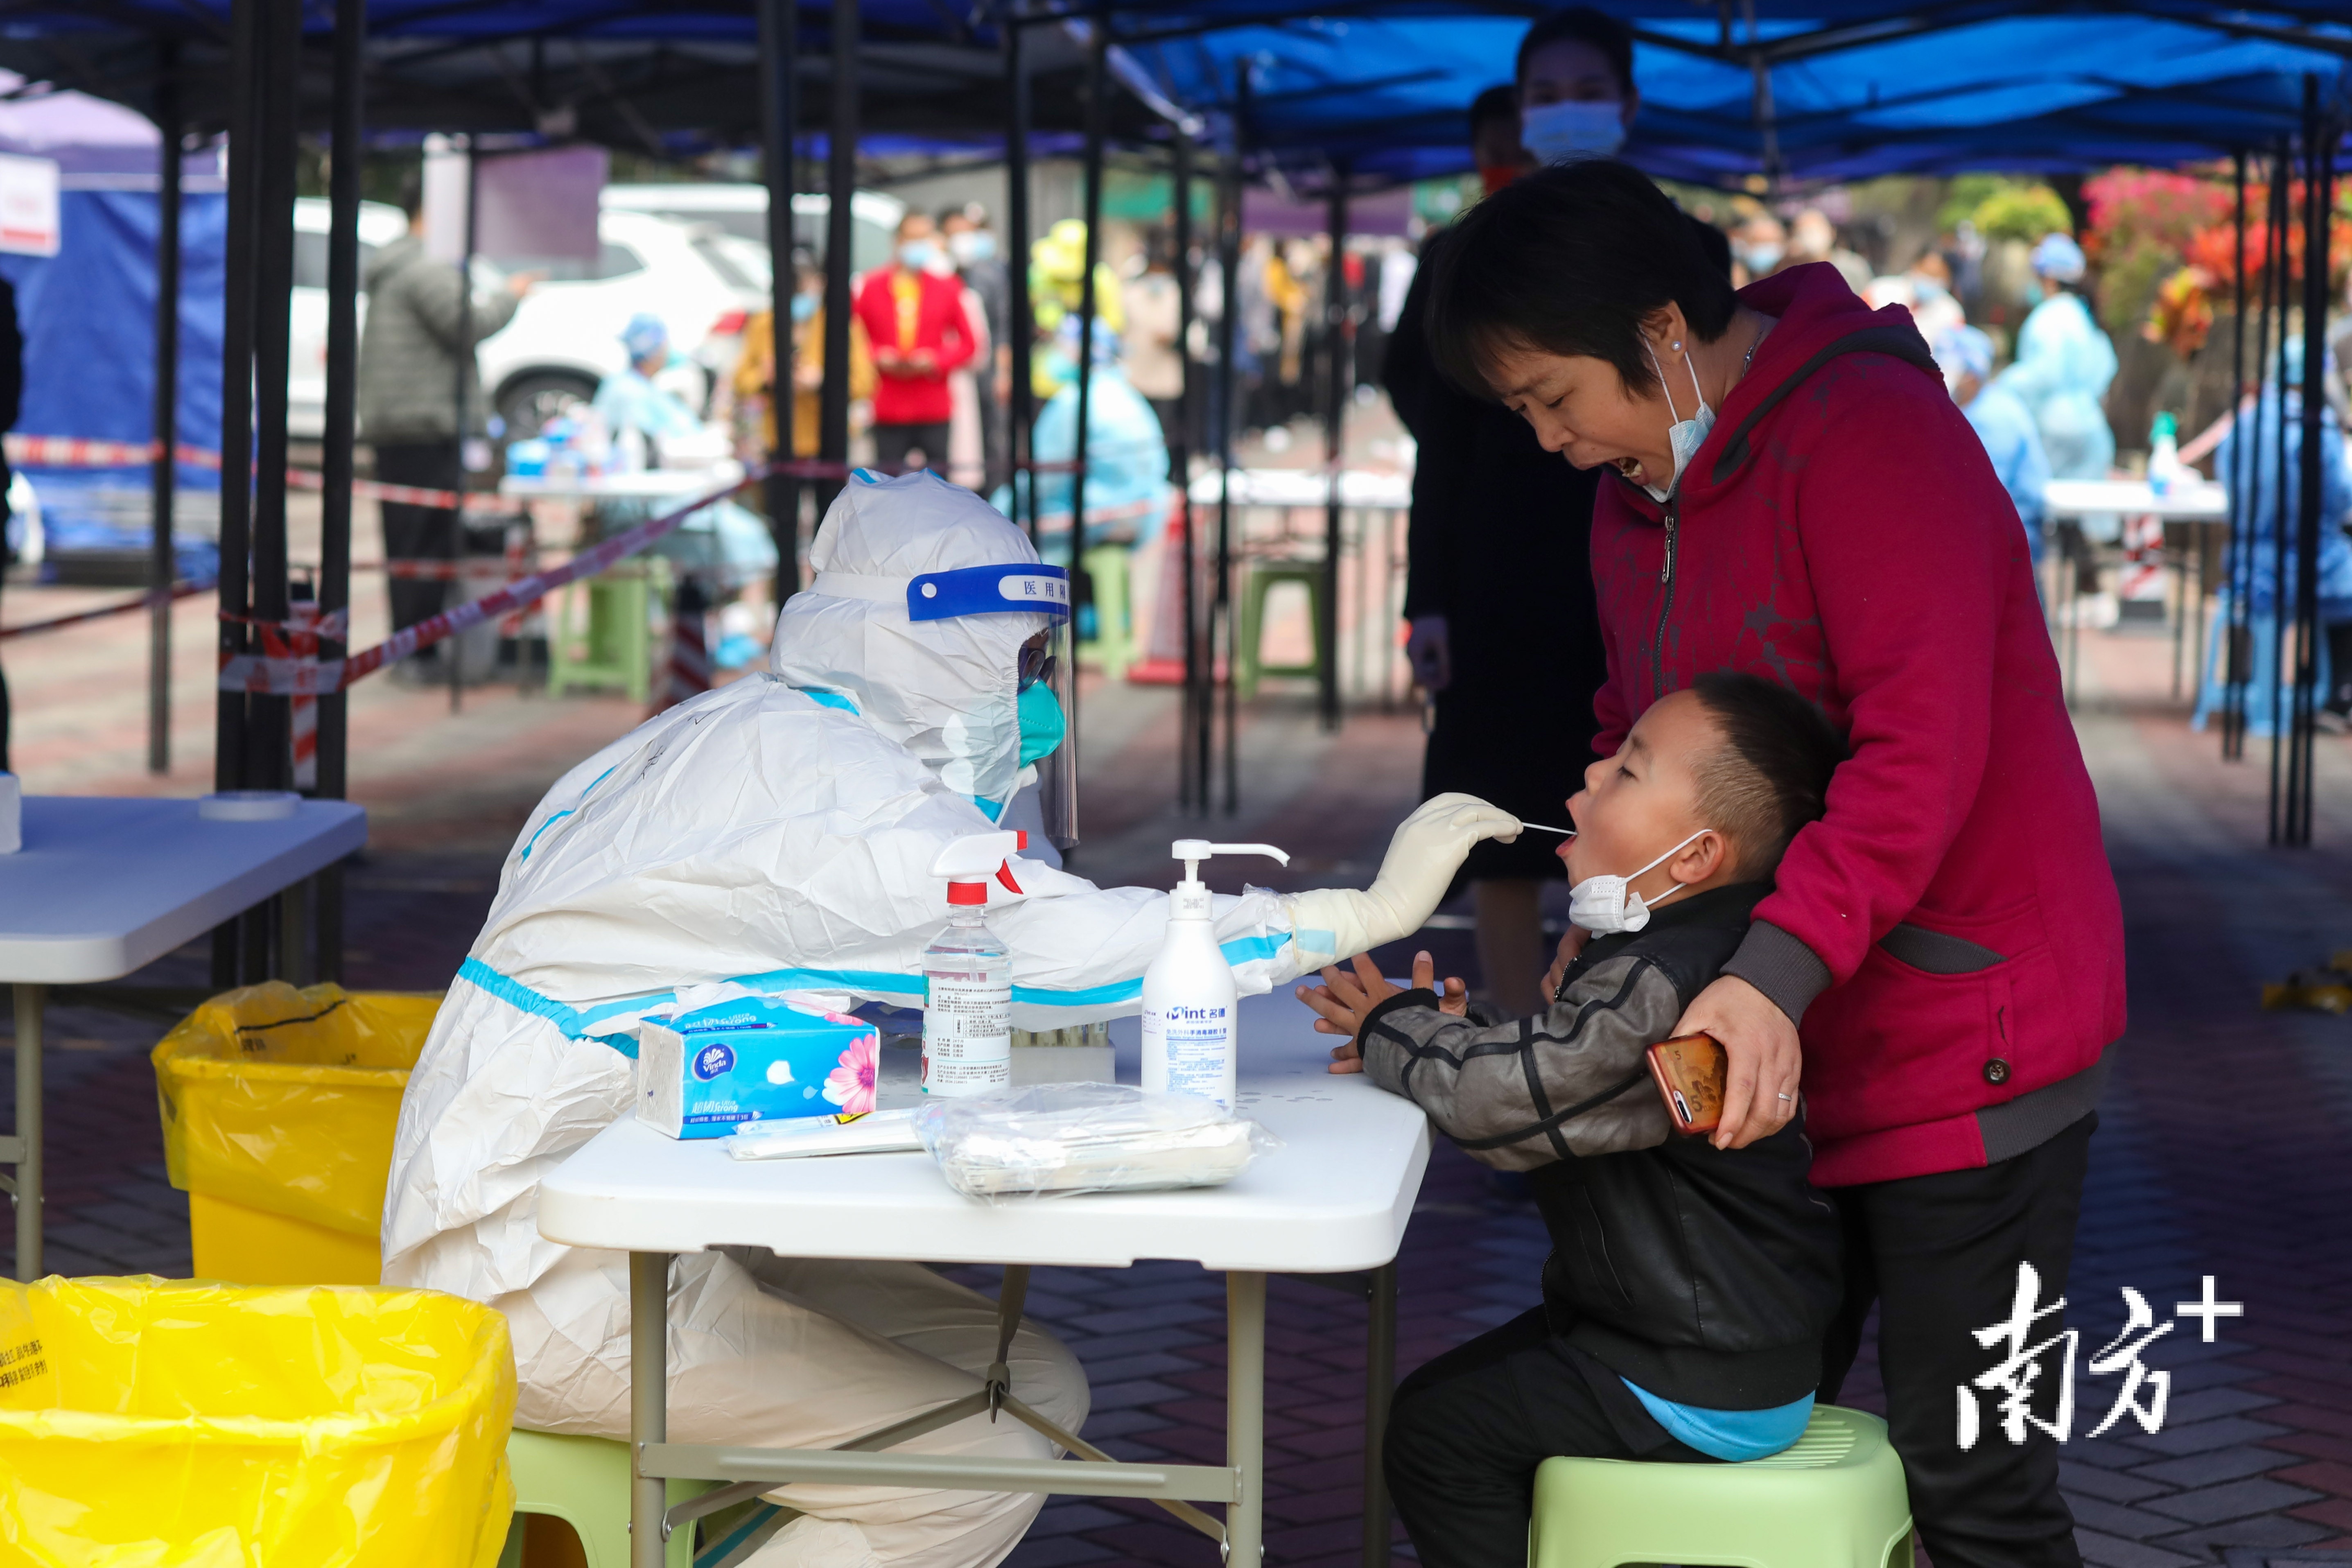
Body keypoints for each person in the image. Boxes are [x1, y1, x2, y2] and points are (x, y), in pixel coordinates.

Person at [382, 469, 1522, 1568]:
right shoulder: (819, 785)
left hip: (598, 1220)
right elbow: (1047, 947)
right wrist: (1342, 911)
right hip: (535, 1267)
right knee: (967, 1457)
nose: (1038, 698)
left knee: (1024, 1379)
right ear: (933, 650)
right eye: (1018, 663)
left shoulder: (759, 729)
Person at [1423, 159, 2125, 1568]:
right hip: (1781, 1046)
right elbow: (1636, 725)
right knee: (1724, 1436)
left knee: (1975, 1489)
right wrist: (1603, 905)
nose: (1552, 441)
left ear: (1662, 334)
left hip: (1959, 1041)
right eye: (1521, 415)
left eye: (1555, 396)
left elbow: (1919, 754)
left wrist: (1766, 976)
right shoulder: (1637, 494)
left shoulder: (1871, 437)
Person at [1297, 676, 1848, 1567]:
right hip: (1714, 1344)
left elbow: (1504, 1103)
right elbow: (1570, 1084)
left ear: (1694, 856)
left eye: (1628, 771)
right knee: (1455, 1394)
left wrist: (1392, 1027)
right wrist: (1447, 1036)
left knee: (1437, 1435)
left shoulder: (1663, 984)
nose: (1588, 777)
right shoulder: (1693, 954)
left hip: (1695, 1368)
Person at [1383, 8, 1697, 1021]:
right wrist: (1427, 598)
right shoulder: (1462, 263)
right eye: (1543, 98)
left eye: (1583, 94)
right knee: (1499, 825)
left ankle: (1608, 1039)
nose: (1561, 116)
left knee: (1636, 809)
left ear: (1628, 106)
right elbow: (1435, 441)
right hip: (1497, 582)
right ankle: (1522, 1037)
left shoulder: (1681, 250)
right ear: (1518, 112)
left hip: (1637, 573)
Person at [358, 176, 536, 663]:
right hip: (423, 422)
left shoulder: (401, 263)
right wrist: (512, 295)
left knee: (411, 539)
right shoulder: (425, 265)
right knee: (424, 542)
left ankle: (414, 646)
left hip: (405, 422)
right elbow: (467, 324)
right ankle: (418, 650)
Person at [2193, 337, 2352, 736]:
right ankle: (2336, 696)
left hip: (2247, 564)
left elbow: (2228, 481)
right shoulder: (2316, 427)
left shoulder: (2245, 422)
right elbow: (2337, 499)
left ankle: (2254, 678)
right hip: (2305, 566)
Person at [2000, 233, 2119, 610]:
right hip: (2088, 423)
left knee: (2046, 512)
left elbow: (2043, 373)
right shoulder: (2082, 317)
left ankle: (2042, 601)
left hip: (2056, 425)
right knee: (2077, 516)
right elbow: (2105, 368)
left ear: (2047, 279)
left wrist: (2001, 386)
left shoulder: (2050, 319)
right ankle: (2090, 590)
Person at [852, 212, 981, 474]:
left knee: (936, 486)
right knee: (888, 485)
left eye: (924, 238)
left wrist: (935, 360)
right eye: (913, 238)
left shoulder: (947, 287)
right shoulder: (871, 285)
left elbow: (969, 344)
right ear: (898, 241)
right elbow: (854, 339)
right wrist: (877, 355)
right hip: (888, 402)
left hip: (932, 403)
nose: (919, 245)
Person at [1937, 323, 2052, 566]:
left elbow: (1983, 498)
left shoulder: (1992, 418)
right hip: (1997, 537)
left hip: (2011, 544)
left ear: (1971, 376)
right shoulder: (1975, 408)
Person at [941, 204, 1013, 483]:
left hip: (984, 374)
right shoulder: (937, 276)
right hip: (944, 378)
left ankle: (990, 500)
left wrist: (1003, 373)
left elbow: (1003, 326)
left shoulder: (989, 276)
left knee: (989, 440)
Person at [592, 313, 703, 459]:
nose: (668, 351)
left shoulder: (628, 384)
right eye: (664, 345)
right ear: (654, 351)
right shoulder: (630, 393)